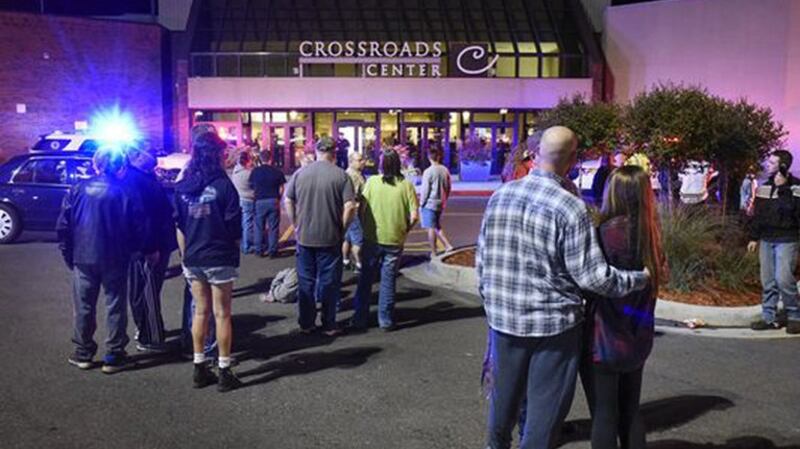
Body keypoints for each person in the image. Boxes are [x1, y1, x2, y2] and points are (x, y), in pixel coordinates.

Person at [477, 126, 650, 449]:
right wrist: (640, 278)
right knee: (543, 419)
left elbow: (482, 261)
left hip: (504, 322)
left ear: (537, 153)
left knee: (502, 409)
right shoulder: (570, 208)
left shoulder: (500, 195)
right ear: (571, 160)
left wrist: (492, 303)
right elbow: (593, 277)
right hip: (553, 329)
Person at [583, 165, 666, 449]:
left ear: (613, 192)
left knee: (605, 413)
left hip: (604, 334)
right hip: (638, 333)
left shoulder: (604, 232)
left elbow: (591, 282)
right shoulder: (652, 235)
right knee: (631, 410)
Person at [57, 146, 146, 374]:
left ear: (96, 165)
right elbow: (137, 226)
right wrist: (136, 252)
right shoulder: (125, 191)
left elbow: (64, 226)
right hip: (116, 255)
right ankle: (114, 354)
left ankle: (83, 352)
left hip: (84, 255)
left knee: (84, 306)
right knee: (115, 305)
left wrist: (69, 255)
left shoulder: (77, 189)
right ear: (119, 167)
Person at [173, 131, 243, 392]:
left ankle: (199, 367)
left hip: (193, 256)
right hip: (219, 255)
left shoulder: (182, 187)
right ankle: (224, 370)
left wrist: (184, 257)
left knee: (200, 312)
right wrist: (233, 253)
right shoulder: (225, 186)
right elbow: (235, 229)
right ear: (217, 155)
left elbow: (179, 226)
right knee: (222, 313)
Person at [284, 136, 357, 336]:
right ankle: (328, 323)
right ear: (334, 153)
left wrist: (295, 223)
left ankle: (307, 322)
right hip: (330, 237)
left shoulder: (300, 174)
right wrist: (342, 228)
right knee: (329, 282)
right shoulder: (341, 176)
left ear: (316, 152)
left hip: (305, 237)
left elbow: (288, 200)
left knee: (306, 281)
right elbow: (350, 207)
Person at [350, 149, 419, 332]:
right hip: (394, 239)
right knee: (388, 280)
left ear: (381, 165)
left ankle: (359, 318)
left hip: (372, 237)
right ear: (398, 164)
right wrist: (404, 231)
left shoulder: (372, 182)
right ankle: (385, 320)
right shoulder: (406, 185)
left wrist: (365, 228)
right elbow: (414, 216)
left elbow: (362, 209)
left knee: (365, 279)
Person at [124, 146, 177, 352]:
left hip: (148, 245)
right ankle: (151, 337)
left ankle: (144, 329)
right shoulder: (139, 182)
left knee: (143, 291)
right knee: (147, 293)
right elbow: (143, 218)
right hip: (149, 247)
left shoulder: (139, 179)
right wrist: (150, 247)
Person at [747, 150, 800, 334]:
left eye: (771, 162)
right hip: (766, 240)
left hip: (787, 239)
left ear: (783, 166)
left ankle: (794, 316)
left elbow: (794, 213)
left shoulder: (796, 188)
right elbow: (758, 215)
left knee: (784, 279)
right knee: (768, 281)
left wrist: (784, 189)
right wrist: (754, 237)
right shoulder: (763, 187)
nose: (767, 165)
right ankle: (768, 317)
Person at [249, 151, 286, 258]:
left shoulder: (255, 171)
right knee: (273, 227)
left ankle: (258, 250)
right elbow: (281, 188)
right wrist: (279, 198)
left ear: (260, 159)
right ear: (271, 159)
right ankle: (272, 250)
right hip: (273, 200)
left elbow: (251, 187)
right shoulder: (277, 172)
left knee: (259, 226)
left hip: (260, 201)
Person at [420, 146, 454, 256]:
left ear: (429, 158)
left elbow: (425, 190)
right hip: (440, 202)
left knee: (431, 227)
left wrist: (421, 203)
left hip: (430, 203)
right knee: (436, 225)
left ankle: (434, 252)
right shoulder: (445, 170)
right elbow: (448, 187)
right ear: (438, 157)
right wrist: (445, 198)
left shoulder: (428, 172)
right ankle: (447, 245)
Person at [343, 151, 367, 272]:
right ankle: (359, 264)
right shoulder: (354, 176)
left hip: (347, 210)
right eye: (359, 160)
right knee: (358, 240)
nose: (363, 162)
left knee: (347, 238)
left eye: (363, 159)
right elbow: (357, 196)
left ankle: (345, 260)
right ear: (351, 162)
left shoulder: (349, 173)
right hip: (355, 211)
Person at [231, 151, 257, 254]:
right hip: (249, 199)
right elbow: (255, 186)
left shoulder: (235, 172)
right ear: (247, 161)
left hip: (240, 198)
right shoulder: (249, 173)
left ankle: (244, 242)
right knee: (248, 223)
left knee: (244, 222)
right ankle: (247, 245)